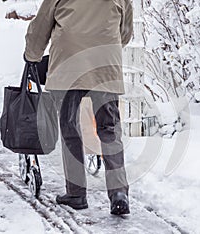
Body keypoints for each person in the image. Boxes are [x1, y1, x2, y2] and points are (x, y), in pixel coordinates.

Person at [24, 0, 133, 215]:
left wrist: (31, 56)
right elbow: (126, 32)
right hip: (104, 65)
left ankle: (76, 193)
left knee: (69, 127)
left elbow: (41, 26)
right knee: (109, 129)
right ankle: (119, 192)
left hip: (68, 64)